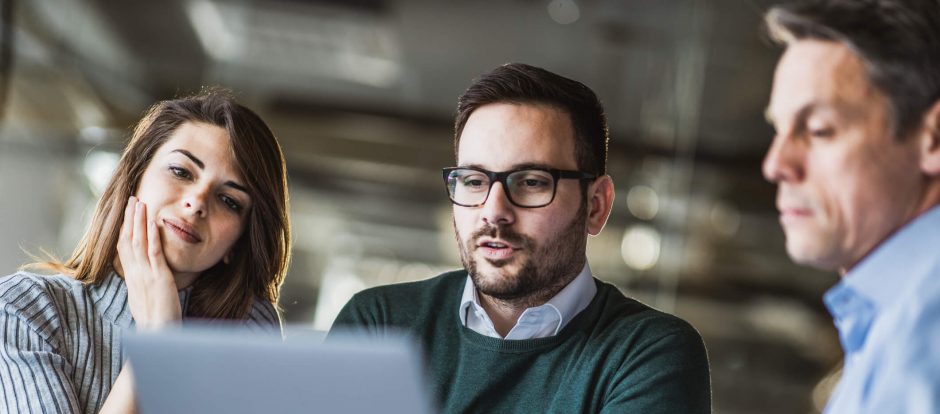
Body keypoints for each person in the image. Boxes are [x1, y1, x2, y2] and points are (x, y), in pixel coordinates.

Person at [331, 63, 711, 413]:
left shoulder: (647, 353)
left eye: (531, 182)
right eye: (474, 181)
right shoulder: (381, 325)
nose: (494, 210)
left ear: (596, 205)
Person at [0, 89, 292, 413]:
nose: (196, 202)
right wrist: (157, 340)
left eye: (229, 201)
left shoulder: (247, 335)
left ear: (237, 244)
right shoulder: (22, 309)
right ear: (134, 178)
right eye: (181, 172)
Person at [762, 1, 940, 412]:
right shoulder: (891, 320)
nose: (775, 165)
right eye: (778, 129)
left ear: (934, 138)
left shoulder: (924, 329)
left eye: (819, 129)